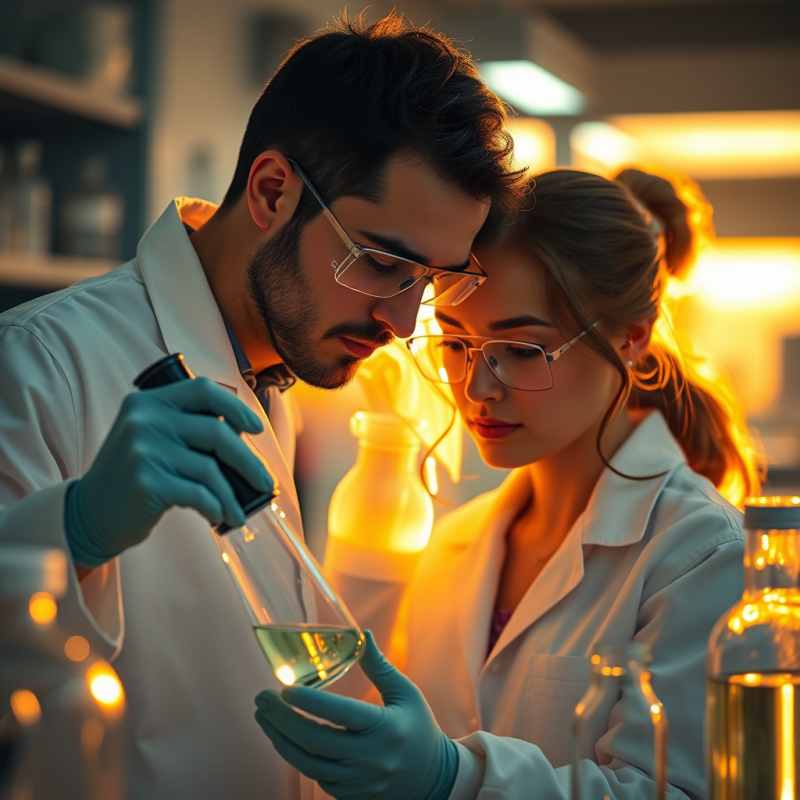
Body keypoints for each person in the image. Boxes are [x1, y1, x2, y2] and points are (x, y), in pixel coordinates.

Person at [0, 12, 525, 800]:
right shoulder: (41, 363)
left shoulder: (278, 373)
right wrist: (71, 533)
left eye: (436, 280)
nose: (403, 323)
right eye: (382, 263)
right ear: (273, 191)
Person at [253, 169, 762, 800]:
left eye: (522, 350)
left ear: (631, 339)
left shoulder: (703, 555)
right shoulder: (458, 542)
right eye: (458, 345)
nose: (478, 389)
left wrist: (455, 779)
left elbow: (679, 792)